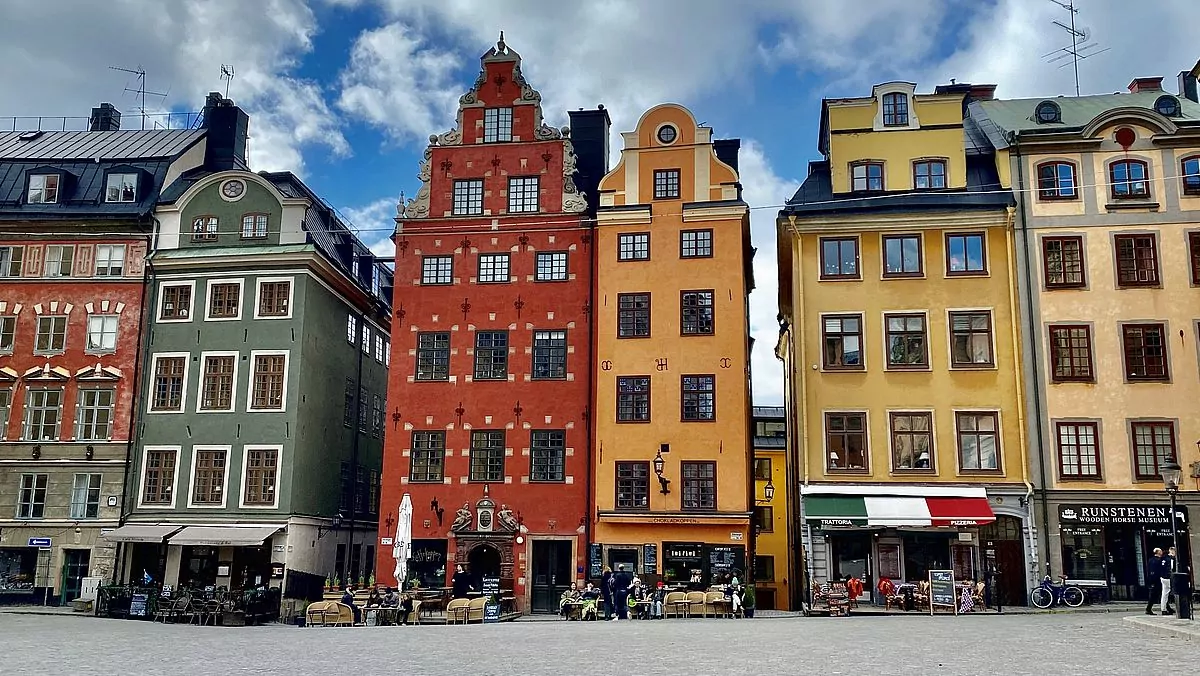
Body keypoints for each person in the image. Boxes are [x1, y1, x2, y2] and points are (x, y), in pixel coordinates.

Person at [1146, 548, 1167, 615]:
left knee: (1162, 593)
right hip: (1158, 579)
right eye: (1160, 551)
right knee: (1158, 594)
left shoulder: (1150, 560)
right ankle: (1148, 609)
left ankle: (1166, 608)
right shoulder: (1159, 560)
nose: (1162, 552)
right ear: (1158, 552)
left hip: (1152, 579)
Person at [1164, 546, 1178, 615]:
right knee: (1169, 592)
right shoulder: (1171, 559)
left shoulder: (1165, 558)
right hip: (1169, 577)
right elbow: (1172, 568)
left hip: (1165, 577)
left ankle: (1165, 608)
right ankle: (1166, 607)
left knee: (1165, 593)